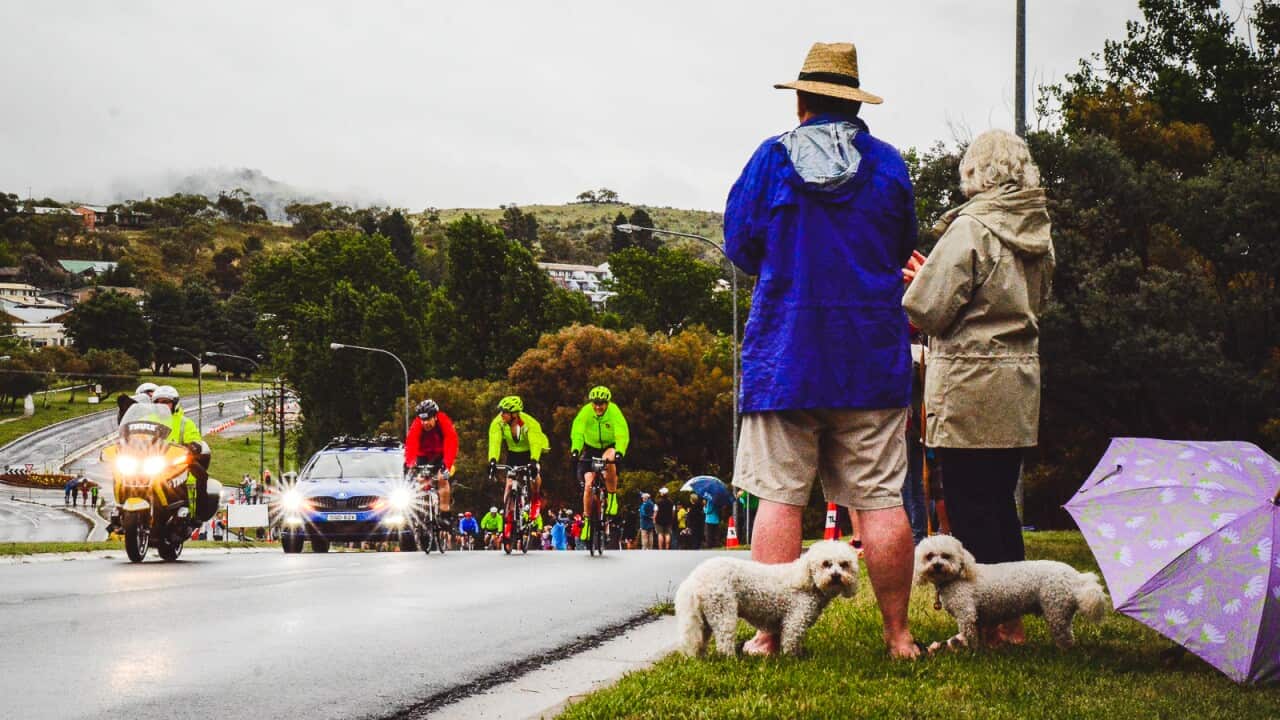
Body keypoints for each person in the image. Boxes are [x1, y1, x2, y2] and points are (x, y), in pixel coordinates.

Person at [724, 42, 921, 658]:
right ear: (854, 103)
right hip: (869, 356)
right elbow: (901, 247)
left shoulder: (770, 160)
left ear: (803, 99)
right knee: (882, 502)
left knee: (779, 499)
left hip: (785, 356)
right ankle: (898, 636)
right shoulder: (887, 166)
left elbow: (739, 243)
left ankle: (769, 635)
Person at [902, 128, 1054, 648]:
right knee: (998, 503)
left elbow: (928, 310)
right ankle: (1010, 621)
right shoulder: (1037, 230)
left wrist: (921, 282)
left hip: (969, 382)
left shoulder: (971, 228)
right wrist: (936, 278)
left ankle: (987, 623)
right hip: (1016, 383)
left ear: (977, 173)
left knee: (968, 505)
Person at [570, 386, 630, 541]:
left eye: (601, 403)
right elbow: (578, 431)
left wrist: (620, 451)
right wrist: (576, 449)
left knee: (608, 458)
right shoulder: (586, 412)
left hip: (610, 447)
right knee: (589, 485)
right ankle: (588, 522)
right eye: (595, 403)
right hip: (590, 449)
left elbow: (622, 433)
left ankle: (612, 497)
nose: (598, 407)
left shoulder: (614, 411)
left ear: (607, 403)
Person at [487, 395, 548, 531]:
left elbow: (535, 442)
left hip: (530, 451)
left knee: (534, 474)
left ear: (514, 414)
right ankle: (509, 514)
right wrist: (492, 460)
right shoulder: (498, 422)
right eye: (501, 411)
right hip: (513, 453)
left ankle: (535, 498)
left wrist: (533, 460)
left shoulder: (530, 423)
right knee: (509, 483)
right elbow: (495, 442)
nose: (501, 414)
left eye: (505, 412)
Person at [152, 385, 210, 520]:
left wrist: (193, 446)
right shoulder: (148, 419)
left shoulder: (185, 423)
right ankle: (121, 512)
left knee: (201, 475)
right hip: (149, 462)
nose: (163, 405)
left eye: (167, 402)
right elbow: (135, 435)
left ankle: (198, 515)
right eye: (160, 402)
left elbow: (195, 439)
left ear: (174, 404)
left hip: (176, 464)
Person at [404, 399, 458, 517]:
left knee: (441, 478)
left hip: (441, 455)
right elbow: (411, 444)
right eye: (423, 420)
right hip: (423, 455)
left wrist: (446, 464)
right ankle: (422, 511)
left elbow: (451, 442)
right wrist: (410, 463)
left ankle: (445, 511)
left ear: (435, 417)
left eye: (428, 419)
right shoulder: (417, 424)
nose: (425, 423)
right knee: (420, 479)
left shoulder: (444, 421)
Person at [901, 339, 929, 544]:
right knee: (913, 482)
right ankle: (915, 534)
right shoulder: (922, 353)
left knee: (910, 481)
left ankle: (915, 534)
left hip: (911, 425)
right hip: (915, 424)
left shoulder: (917, 354)